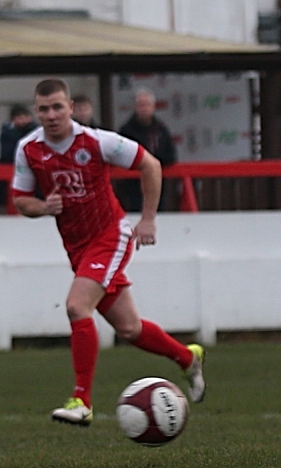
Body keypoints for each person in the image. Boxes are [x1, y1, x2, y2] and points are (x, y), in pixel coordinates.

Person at [11, 78, 205, 427]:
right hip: (77, 246)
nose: (51, 114)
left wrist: (147, 221)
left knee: (76, 306)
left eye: (58, 106)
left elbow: (151, 165)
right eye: (44, 108)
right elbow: (21, 200)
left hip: (110, 234)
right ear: (36, 112)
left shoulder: (99, 142)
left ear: (71, 107)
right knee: (129, 328)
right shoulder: (29, 149)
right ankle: (187, 357)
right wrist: (43, 206)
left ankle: (81, 401)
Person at [118, 87, 177, 212]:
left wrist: (154, 163)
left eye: (147, 105)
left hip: (158, 182)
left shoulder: (161, 129)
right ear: (135, 107)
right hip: (134, 185)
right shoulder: (127, 130)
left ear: (153, 107)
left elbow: (171, 155)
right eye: (140, 105)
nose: (144, 109)